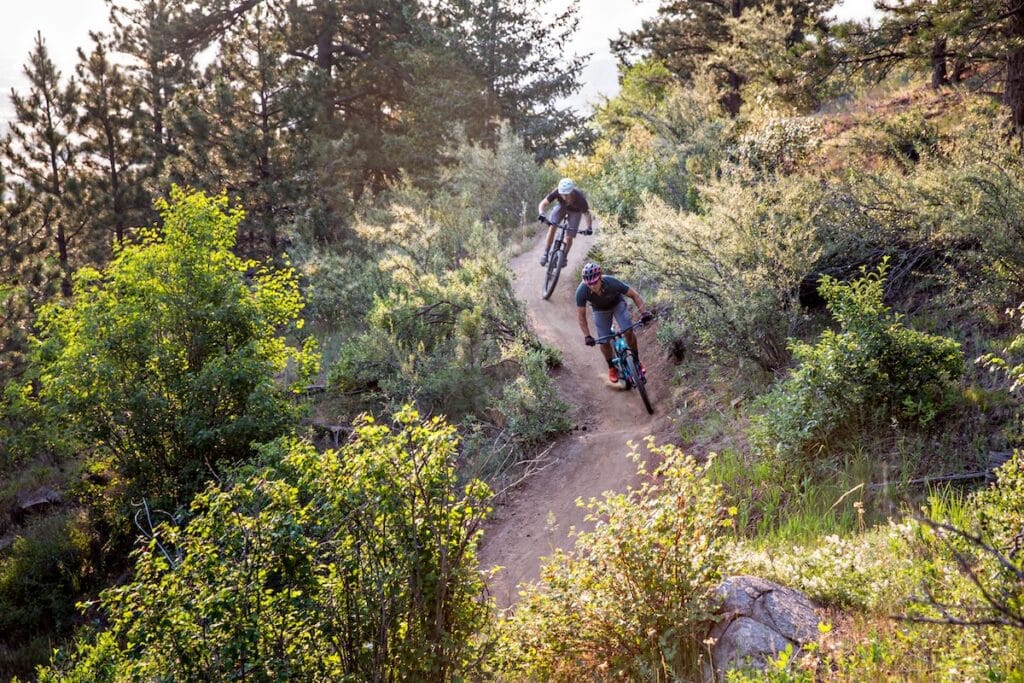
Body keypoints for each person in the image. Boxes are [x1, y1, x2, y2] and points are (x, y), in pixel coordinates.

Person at [576, 262, 652, 383]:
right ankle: (611, 367)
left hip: (617, 304)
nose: (592, 286)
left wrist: (644, 313)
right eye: (589, 284)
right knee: (604, 340)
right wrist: (587, 336)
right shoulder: (581, 291)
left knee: (628, 331)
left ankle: (637, 361)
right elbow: (581, 316)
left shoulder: (611, 282)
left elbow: (634, 295)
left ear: (600, 277)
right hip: (599, 310)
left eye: (594, 282)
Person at [537, 177, 593, 267]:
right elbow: (542, 204)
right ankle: (546, 253)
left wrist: (589, 227)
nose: (564, 197)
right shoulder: (557, 192)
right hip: (562, 207)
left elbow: (587, 214)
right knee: (552, 227)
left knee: (569, 237)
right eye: (562, 194)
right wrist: (541, 214)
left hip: (575, 212)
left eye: (567, 194)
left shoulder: (580, 198)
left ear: (571, 191)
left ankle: (564, 257)